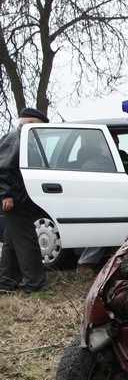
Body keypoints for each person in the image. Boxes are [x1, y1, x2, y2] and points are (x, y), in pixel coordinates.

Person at [0, 108, 51, 293]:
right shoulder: (15, 139)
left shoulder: (21, 138)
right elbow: (2, 168)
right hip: (15, 201)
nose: (42, 132)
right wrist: (5, 195)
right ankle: (35, 284)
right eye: (40, 127)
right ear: (30, 123)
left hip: (17, 199)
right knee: (27, 242)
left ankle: (6, 283)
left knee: (12, 244)